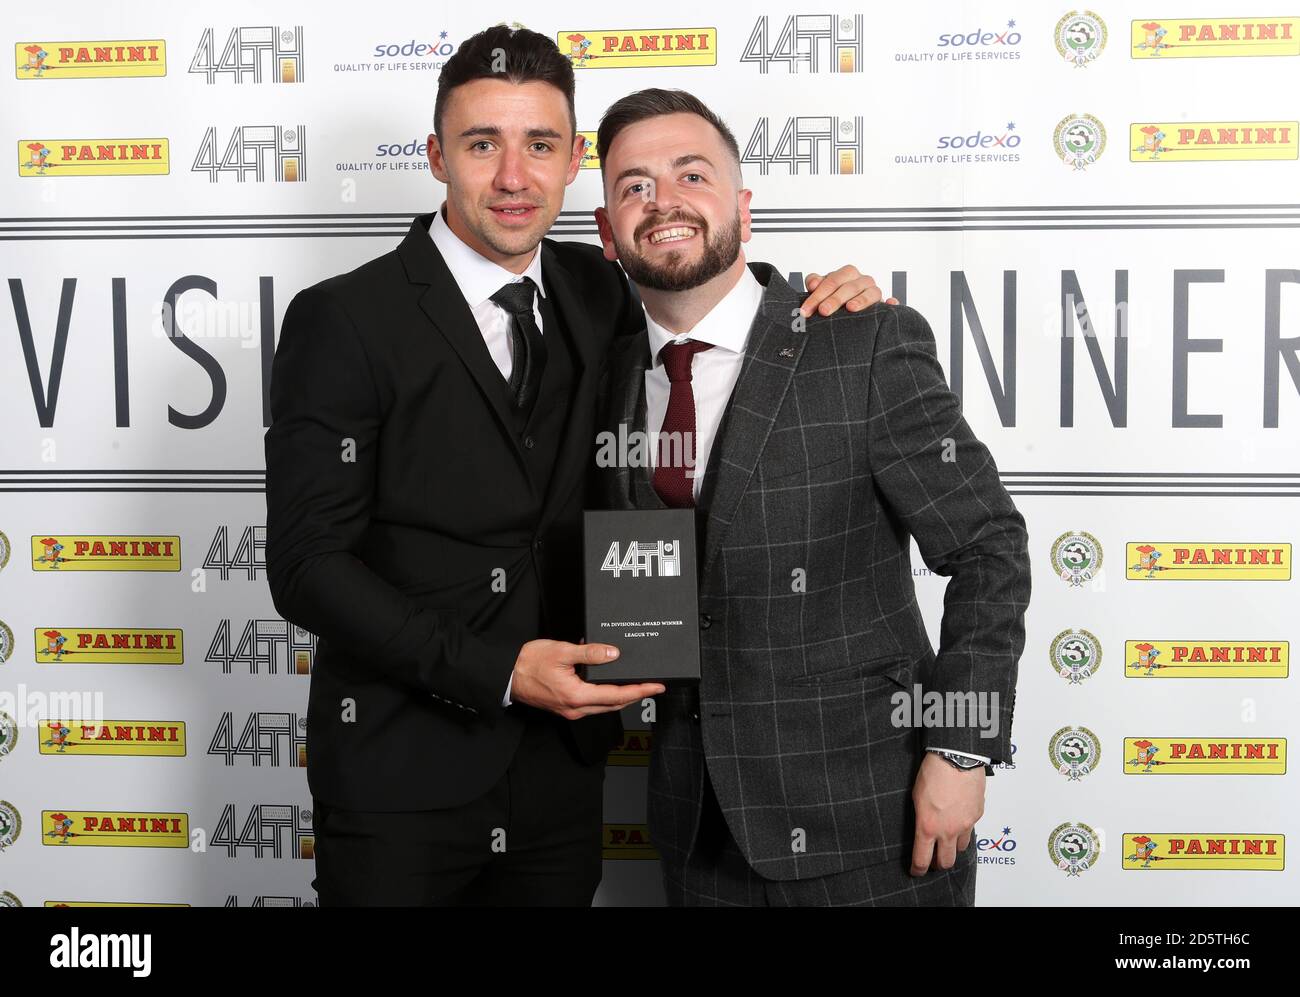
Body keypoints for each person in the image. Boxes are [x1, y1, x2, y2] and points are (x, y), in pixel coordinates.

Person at [264, 27, 888, 906]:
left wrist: (828, 306)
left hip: (564, 774)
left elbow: (709, 293)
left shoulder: (601, 291)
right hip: (399, 778)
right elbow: (304, 567)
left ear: (570, 165)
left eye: (541, 146)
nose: (513, 177)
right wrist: (499, 670)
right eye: (483, 145)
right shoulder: (342, 319)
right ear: (438, 156)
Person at [592, 88, 1032, 906]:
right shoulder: (608, 376)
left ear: (742, 207)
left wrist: (963, 750)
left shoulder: (857, 339)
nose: (664, 202)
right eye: (634, 185)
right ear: (607, 232)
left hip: (874, 827)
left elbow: (988, 547)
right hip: (697, 838)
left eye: (692, 174)